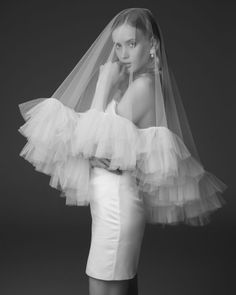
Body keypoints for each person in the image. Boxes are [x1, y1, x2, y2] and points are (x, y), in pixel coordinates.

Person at [18, 8, 227, 295]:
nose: (122, 54)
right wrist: (93, 150)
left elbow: (94, 142)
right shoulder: (139, 84)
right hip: (111, 199)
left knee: (107, 283)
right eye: (117, 45)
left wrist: (104, 85)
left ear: (151, 44)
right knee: (121, 282)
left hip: (116, 202)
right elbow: (103, 143)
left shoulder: (143, 87)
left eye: (132, 44)